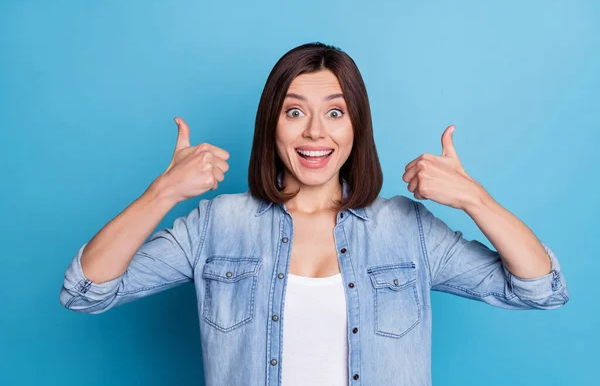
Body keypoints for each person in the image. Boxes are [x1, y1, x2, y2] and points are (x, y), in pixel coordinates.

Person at [59, 42, 569, 386]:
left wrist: (474, 199)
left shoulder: (406, 229)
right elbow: (86, 291)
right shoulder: (218, 224)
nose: (315, 134)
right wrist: (163, 192)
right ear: (272, 124)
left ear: (356, 127)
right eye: (294, 111)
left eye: (335, 111)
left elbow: (539, 289)